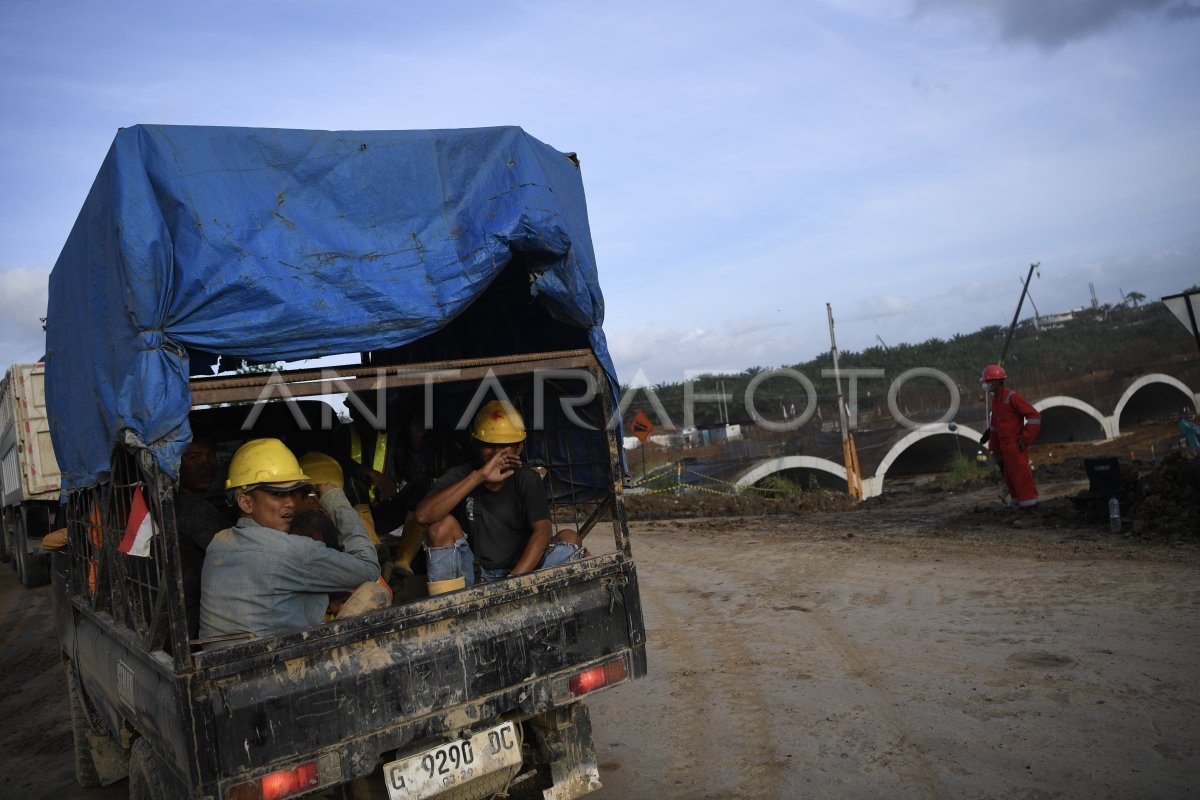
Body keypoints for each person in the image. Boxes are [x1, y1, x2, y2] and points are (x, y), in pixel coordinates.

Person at [198, 438, 381, 645]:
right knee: (376, 592)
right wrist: (335, 500)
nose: (291, 503)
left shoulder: (218, 543)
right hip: (271, 667)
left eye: (293, 493)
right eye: (277, 494)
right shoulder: (290, 551)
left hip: (218, 664)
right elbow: (368, 567)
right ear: (246, 502)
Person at [414, 400, 584, 595]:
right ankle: (450, 610)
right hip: (473, 575)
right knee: (440, 526)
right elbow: (422, 516)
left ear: (519, 448)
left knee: (569, 538)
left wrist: (510, 584)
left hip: (520, 573)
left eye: (504, 446)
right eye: (489, 445)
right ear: (477, 444)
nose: (496, 454)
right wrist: (479, 476)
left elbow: (542, 532)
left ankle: (531, 601)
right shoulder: (463, 475)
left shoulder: (526, 479)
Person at [175, 431, 228, 639]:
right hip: (198, 621)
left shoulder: (182, 503)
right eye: (194, 457)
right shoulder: (194, 511)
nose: (206, 464)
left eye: (211, 455)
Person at [981, 364, 1042, 508]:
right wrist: (994, 449)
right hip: (1005, 448)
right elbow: (995, 429)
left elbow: (1034, 416)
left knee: (1021, 477)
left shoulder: (1012, 397)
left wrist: (1025, 437)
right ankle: (1019, 506)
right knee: (1011, 479)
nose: (985, 385)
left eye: (988, 381)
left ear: (997, 382)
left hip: (1015, 446)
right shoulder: (996, 401)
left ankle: (1031, 509)